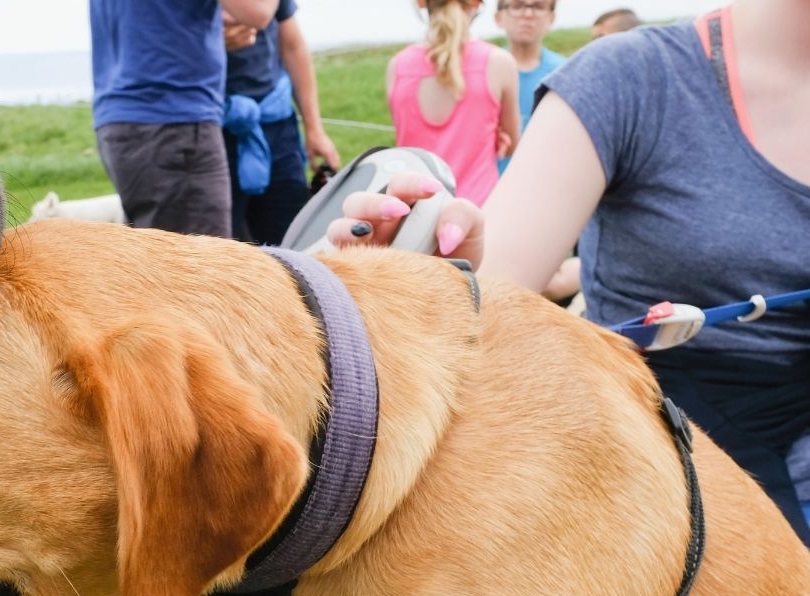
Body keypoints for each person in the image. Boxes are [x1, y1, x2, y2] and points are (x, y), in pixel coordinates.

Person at [333, 0, 810, 541]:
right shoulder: (624, 79)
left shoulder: (437, 66)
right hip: (675, 460)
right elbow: (487, 293)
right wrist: (401, 306)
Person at [90, 0, 278, 237]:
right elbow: (258, 11)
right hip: (174, 125)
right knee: (205, 267)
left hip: (122, 121)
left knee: (162, 263)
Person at [221, 1, 341, 245]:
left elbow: (293, 47)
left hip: (276, 126)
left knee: (293, 240)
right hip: (209, 129)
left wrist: (315, 129)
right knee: (216, 245)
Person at [387, 0, 519, 205]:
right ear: (475, 6)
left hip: (415, 215)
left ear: (422, 5)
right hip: (480, 212)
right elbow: (511, 146)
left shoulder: (397, 66)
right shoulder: (499, 62)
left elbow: (405, 135)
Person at [493, 0, 565, 172]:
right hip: (487, 188)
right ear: (499, 17)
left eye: (538, 7)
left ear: (551, 17)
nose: (528, 15)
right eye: (517, 6)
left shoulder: (566, 73)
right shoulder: (482, 71)